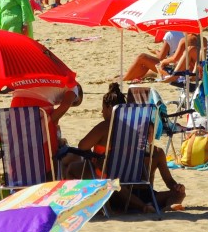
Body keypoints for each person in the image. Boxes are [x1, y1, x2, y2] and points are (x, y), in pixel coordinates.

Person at [61, 83, 186, 212]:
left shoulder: (106, 126)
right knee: (117, 183)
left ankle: (79, 206)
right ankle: (152, 206)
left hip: (109, 177)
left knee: (72, 168)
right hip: (129, 177)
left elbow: (82, 146)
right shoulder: (133, 128)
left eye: (103, 108)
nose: (102, 112)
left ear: (110, 108)